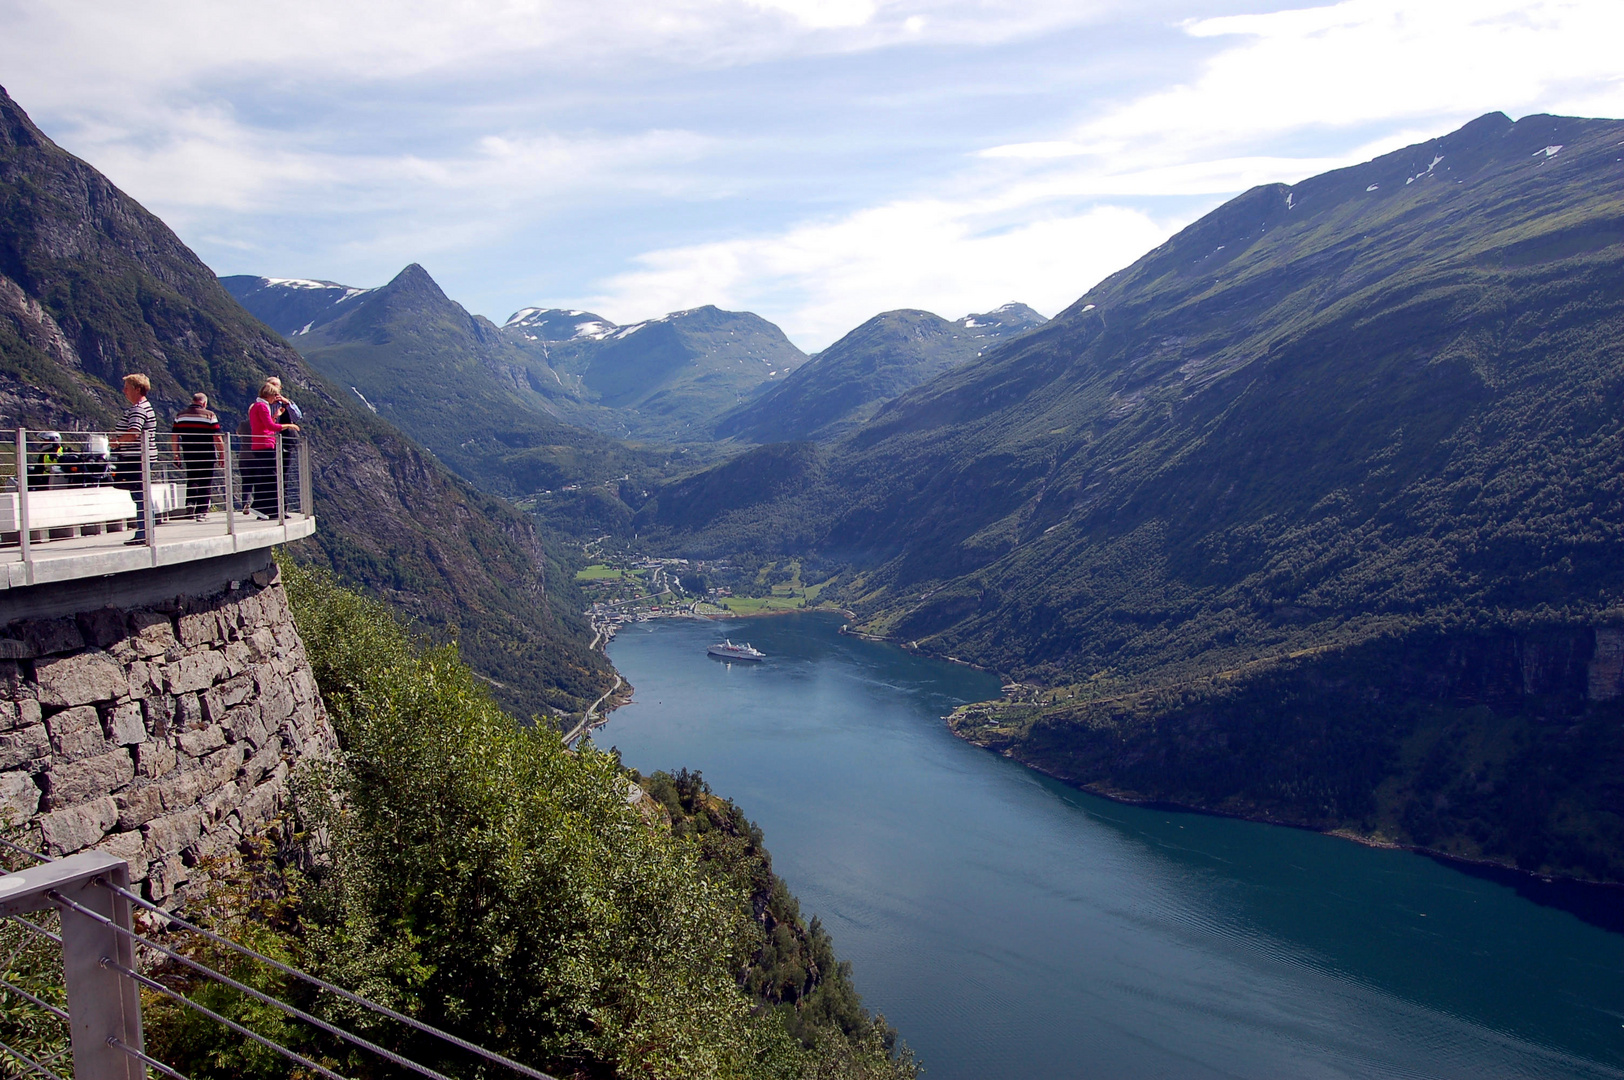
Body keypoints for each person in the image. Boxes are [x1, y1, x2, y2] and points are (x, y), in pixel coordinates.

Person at [110, 374, 156, 544]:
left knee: (139, 494)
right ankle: (146, 531)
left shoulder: (138, 409)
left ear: (137, 389)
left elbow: (134, 432)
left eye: (127, 388)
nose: (124, 391)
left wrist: (117, 441)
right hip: (142, 456)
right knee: (141, 493)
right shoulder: (144, 406)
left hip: (138, 458)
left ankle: (144, 533)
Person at [244, 380, 299, 518]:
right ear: (269, 395)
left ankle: (267, 509)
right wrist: (288, 426)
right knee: (273, 477)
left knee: (268, 476)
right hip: (265, 444)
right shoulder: (262, 406)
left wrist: (276, 416)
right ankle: (263, 508)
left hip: (259, 444)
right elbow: (269, 427)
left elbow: (263, 423)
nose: (276, 398)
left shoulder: (256, 406)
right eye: (275, 395)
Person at [171, 393, 224, 520]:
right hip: (207, 453)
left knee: (192, 477)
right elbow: (217, 437)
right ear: (204, 403)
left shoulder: (180, 415)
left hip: (189, 452)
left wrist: (176, 454)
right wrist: (222, 454)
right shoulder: (210, 415)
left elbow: (175, 436)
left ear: (193, 401)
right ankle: (201, 511)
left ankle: (190, 504)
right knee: (206, 481)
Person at [265, 377, 304, 510]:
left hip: (286, 443)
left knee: (284, 476)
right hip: (269, 443)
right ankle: (269, 507)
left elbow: (297, 417)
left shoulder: (286, 404)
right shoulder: (263, 405)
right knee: (269, 475)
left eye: (277, 386)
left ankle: (283, 508)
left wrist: (287, 404)